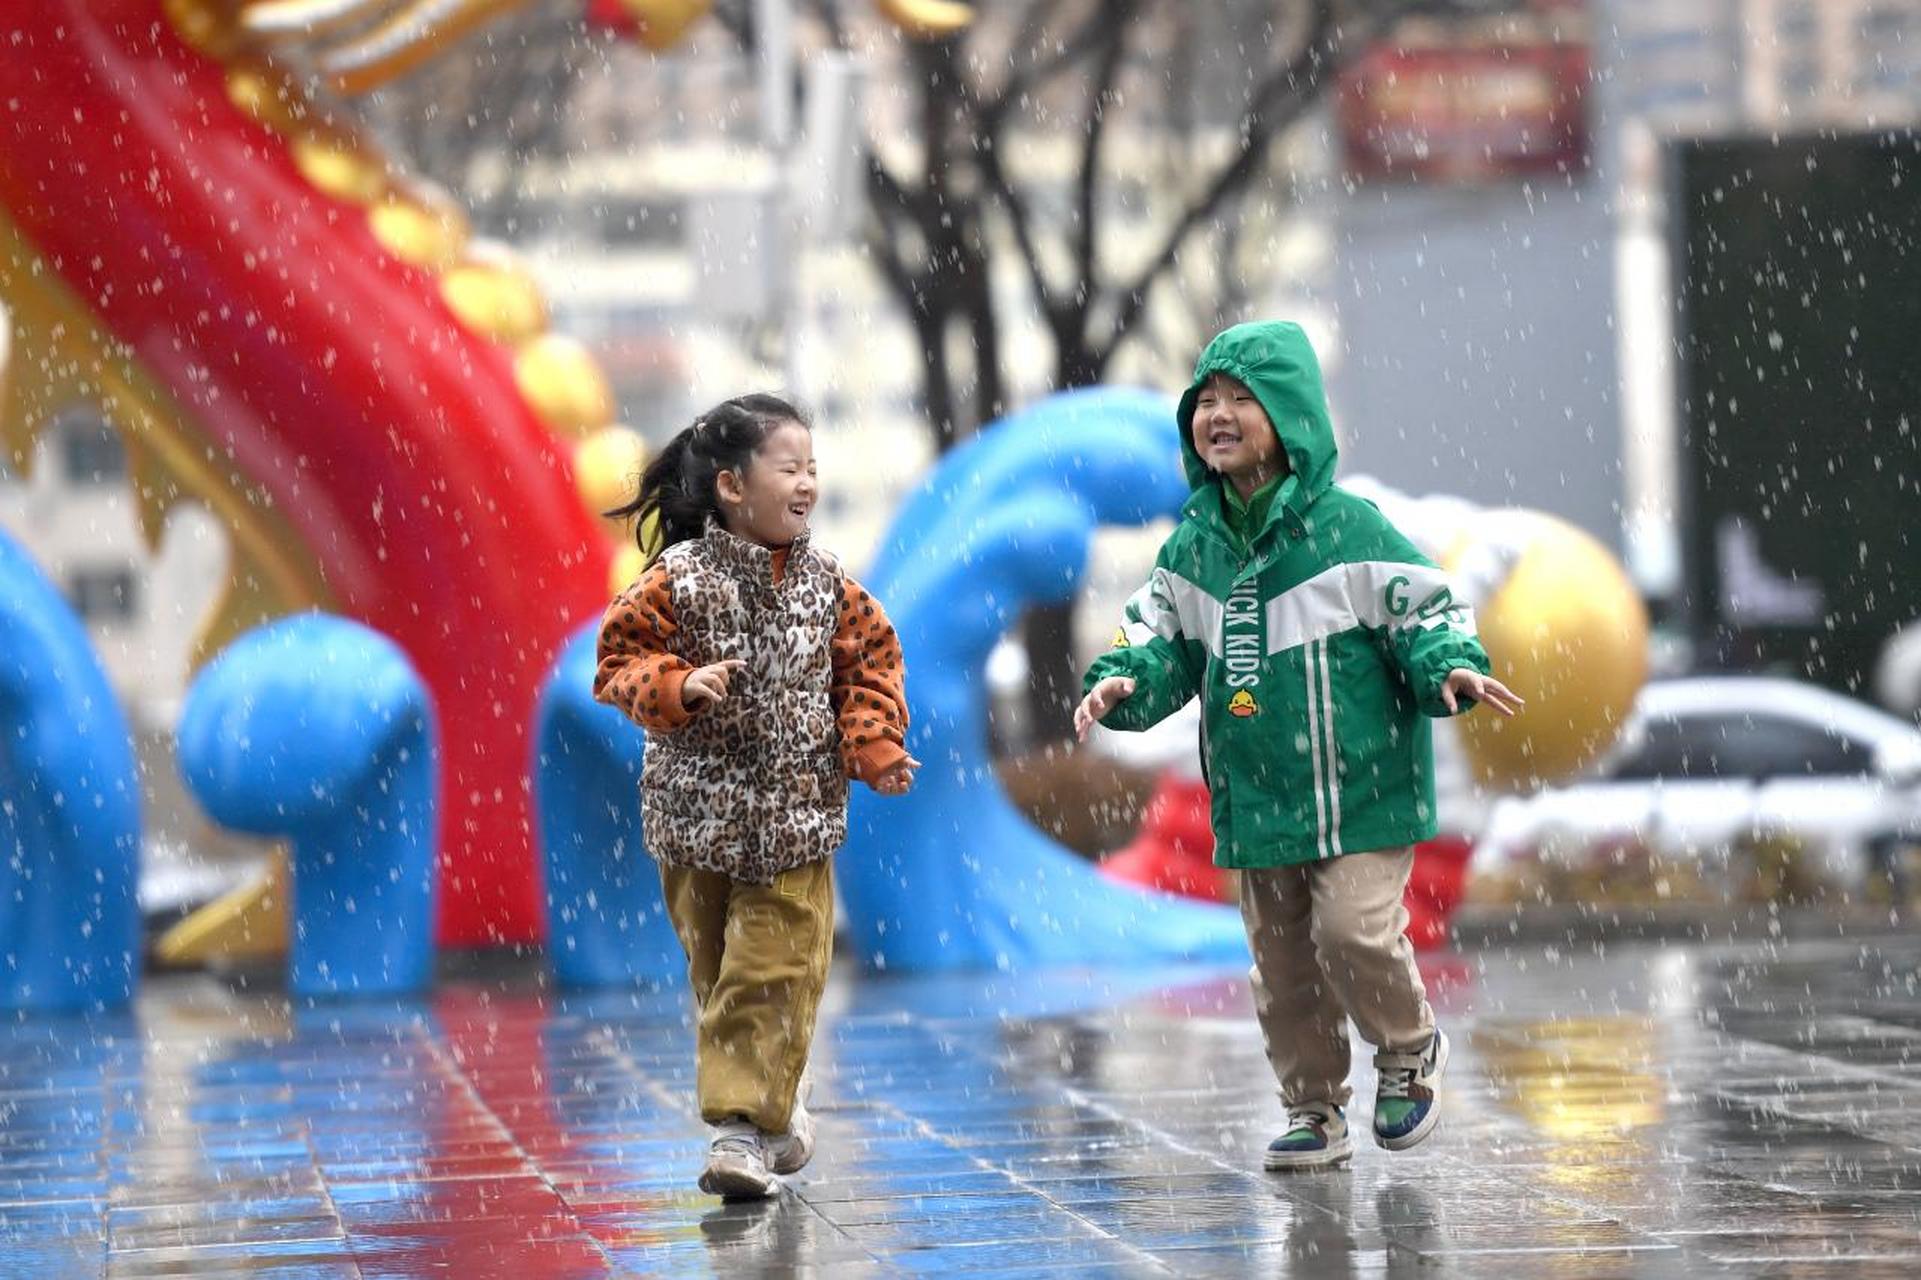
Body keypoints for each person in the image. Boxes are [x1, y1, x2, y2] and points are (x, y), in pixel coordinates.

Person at [1074, 322, 1522, 1171]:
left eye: (1242, 398)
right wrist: (1124, 681)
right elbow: (1156, 641)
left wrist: (1449, 668)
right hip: (1254, 802)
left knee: (1354, 934)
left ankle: (1408, 1051)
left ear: (1292, 418)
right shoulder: (1191, 551)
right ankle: (1314, 1107)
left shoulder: (1349, 530)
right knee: (1281, 971)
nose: (1219, 413)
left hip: (1359, 794)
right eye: (1205, 400)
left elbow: (1428, 609)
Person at [593, 393, 918, 1199]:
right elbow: (616, 662)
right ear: (733, 486)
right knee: (721, 976)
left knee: (771, 969)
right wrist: (674, 683)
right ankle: (777, 1110)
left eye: (813, 467)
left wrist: (872, 746)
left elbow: (871, 665)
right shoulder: (676, 581)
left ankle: (738, 1132)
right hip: (693, 820)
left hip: (796, 817)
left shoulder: (829, 587)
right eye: (790, 467)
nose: (807, 482)